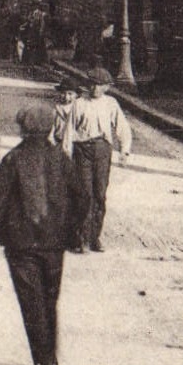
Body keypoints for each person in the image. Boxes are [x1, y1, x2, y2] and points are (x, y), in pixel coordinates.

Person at [0, 104, 85, 365]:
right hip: (54, 242)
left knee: (32, 304)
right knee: (49, 300)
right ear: (51, 128)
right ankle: (50, 359)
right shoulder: (61, 158)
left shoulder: (13, 159)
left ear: (22, 128)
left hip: (21, 244)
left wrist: (1, 232)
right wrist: (71, 230)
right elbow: (82, 198)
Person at [65, 67, 133, 252]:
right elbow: (69, 131)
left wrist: (124, 151)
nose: (95, 88)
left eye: (100, 85)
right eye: (92, 84)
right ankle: (81, 238)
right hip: (82, 150)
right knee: (84, 193)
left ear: (106, 87)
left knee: (100, 194)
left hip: (103, 150)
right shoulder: (79, 104)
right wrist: (65, 156)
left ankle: (95, 236)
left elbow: (122, 128)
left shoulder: (111, 104)